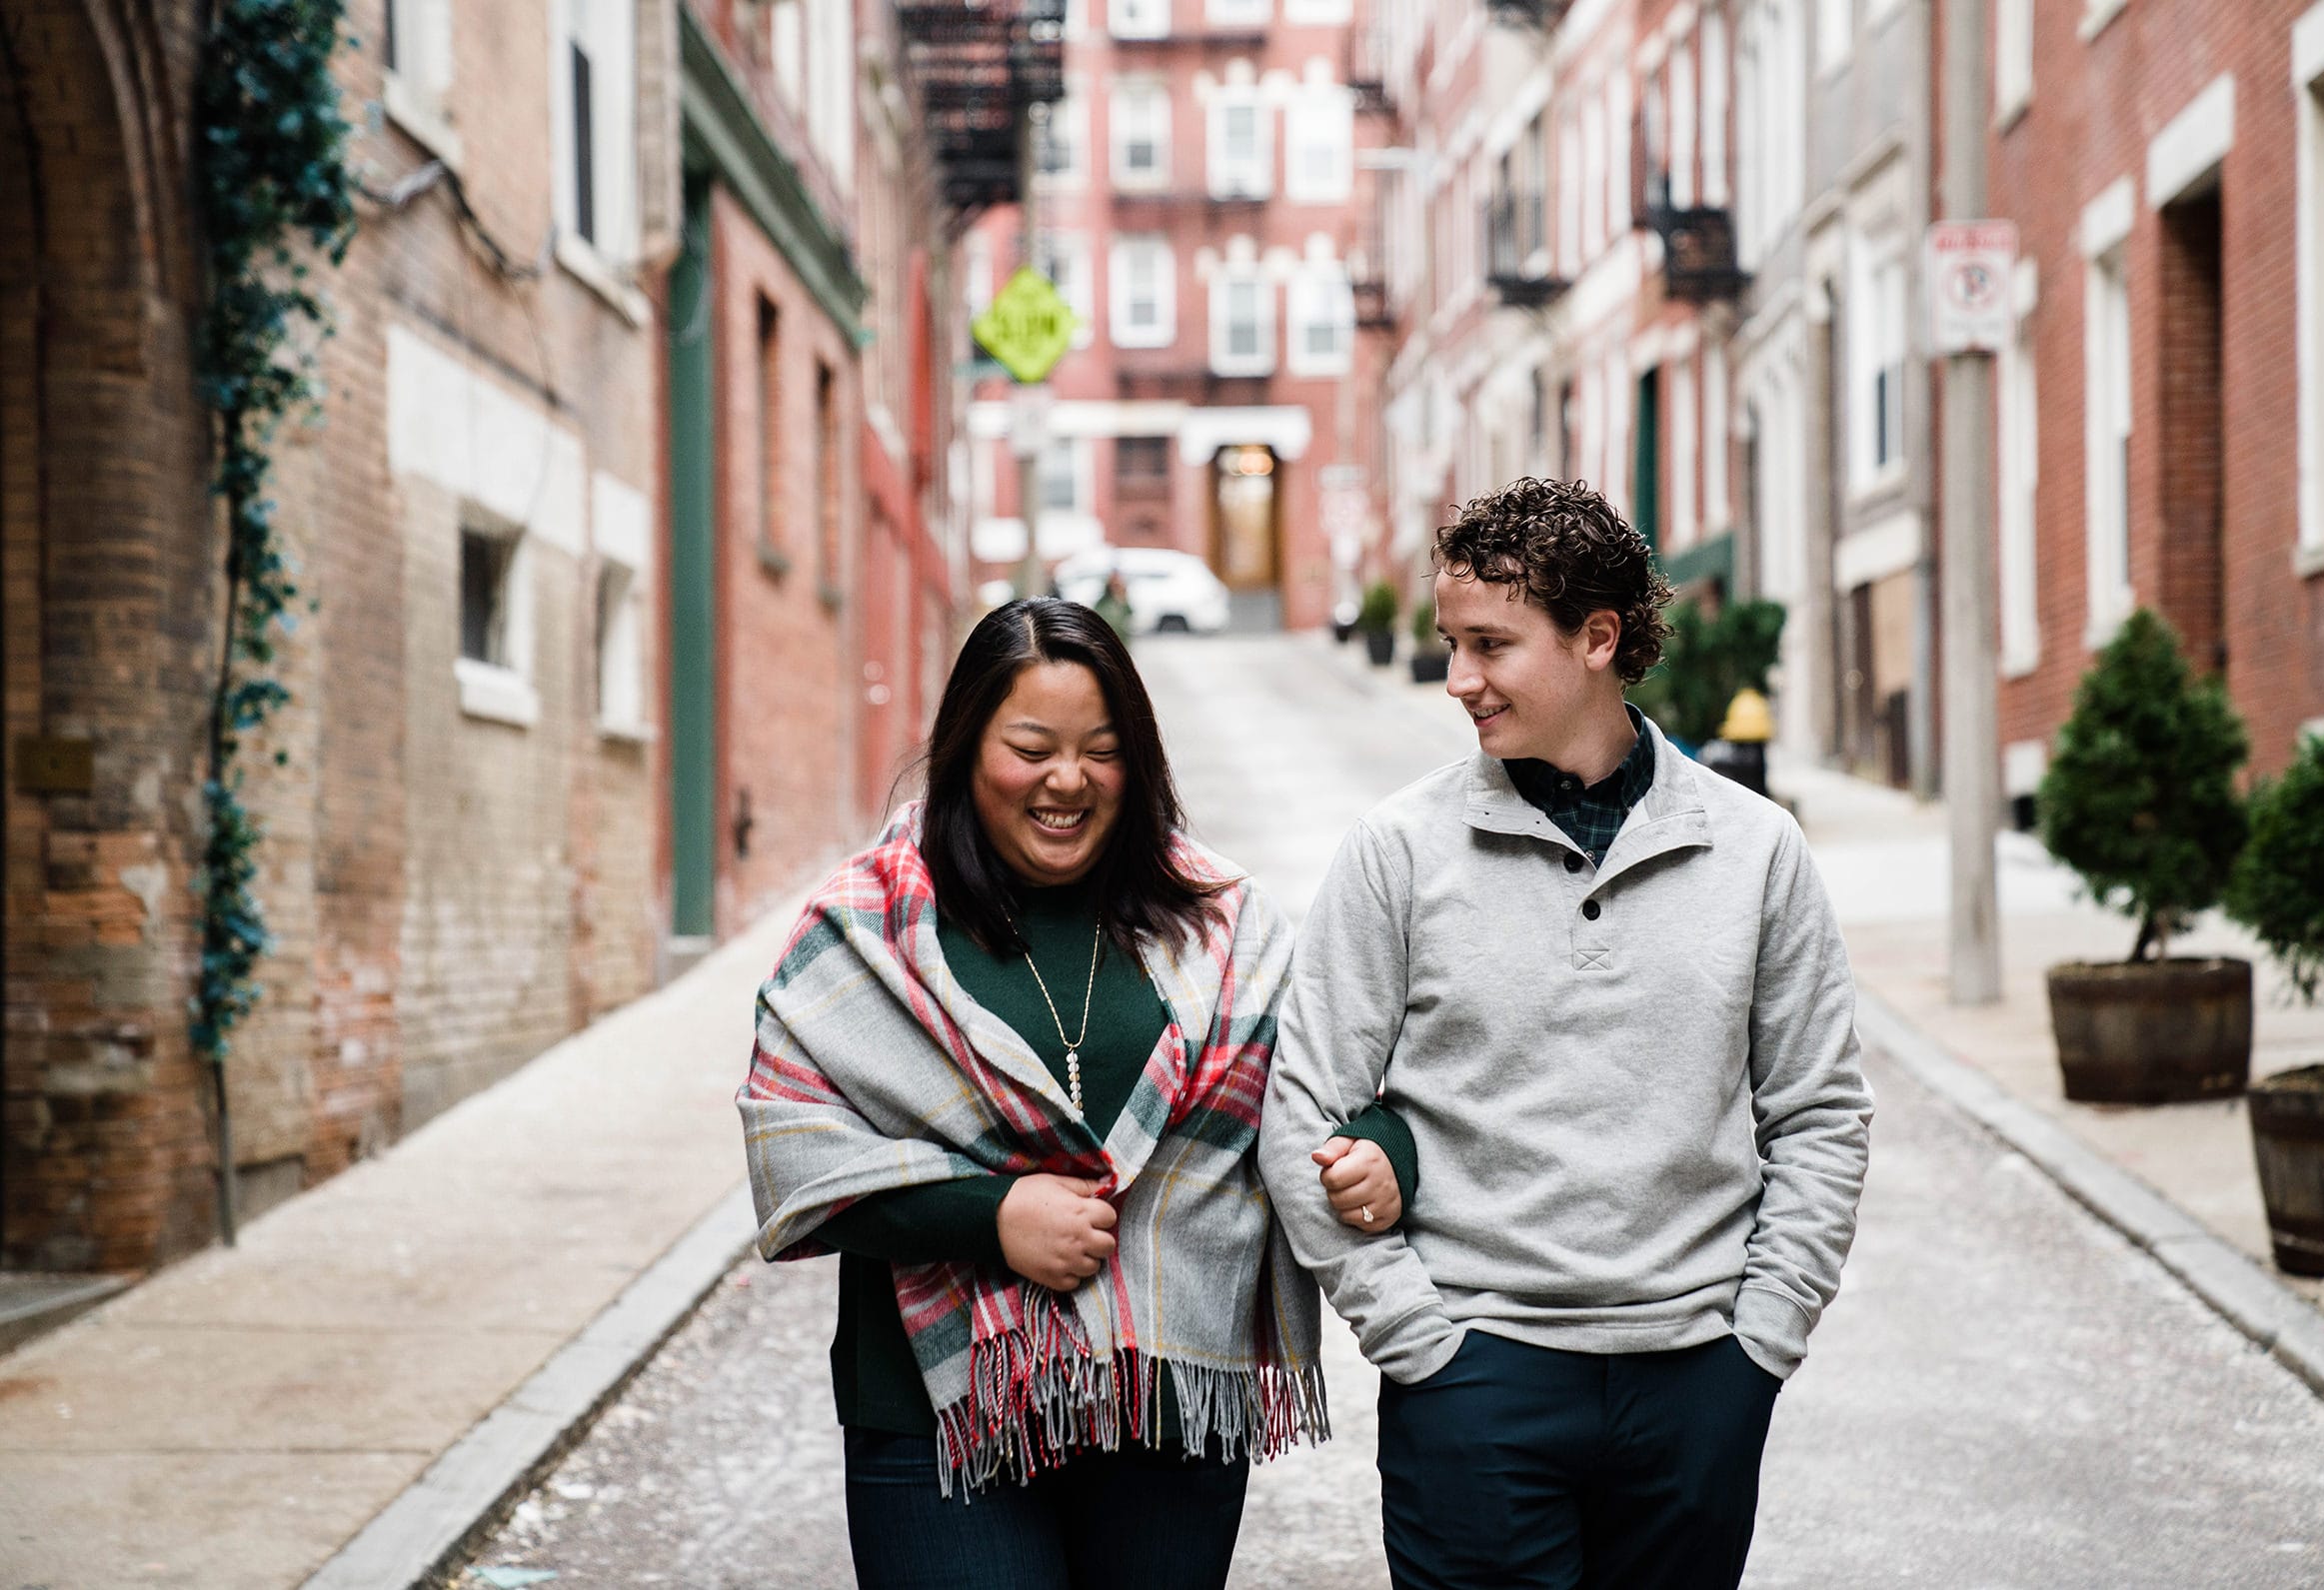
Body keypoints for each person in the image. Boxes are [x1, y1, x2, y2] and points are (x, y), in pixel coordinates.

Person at [1258, 479, 1873, 1590]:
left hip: (1698, 1382)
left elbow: (1820, 1114)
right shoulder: (1396, 852)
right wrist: (1418, 1345)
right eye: (1451, 643)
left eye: (1490, 644)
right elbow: (1298, 1113)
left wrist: (1761, 1344)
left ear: (1597, 639)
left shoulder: (1755, 850)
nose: (1457, 678)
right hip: (1475, 1382)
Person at [738, 598, 1413, 1590]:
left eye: (1101, 749)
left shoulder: (1222, 924)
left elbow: (1331, 1088)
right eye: (1030, 746)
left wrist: (1380, 1148)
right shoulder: (866, 928)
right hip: (935, 1421)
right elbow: (794, 1139)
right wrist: (991, 1215)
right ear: (969, 746)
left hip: (1168, 1414)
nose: (1067, 779)